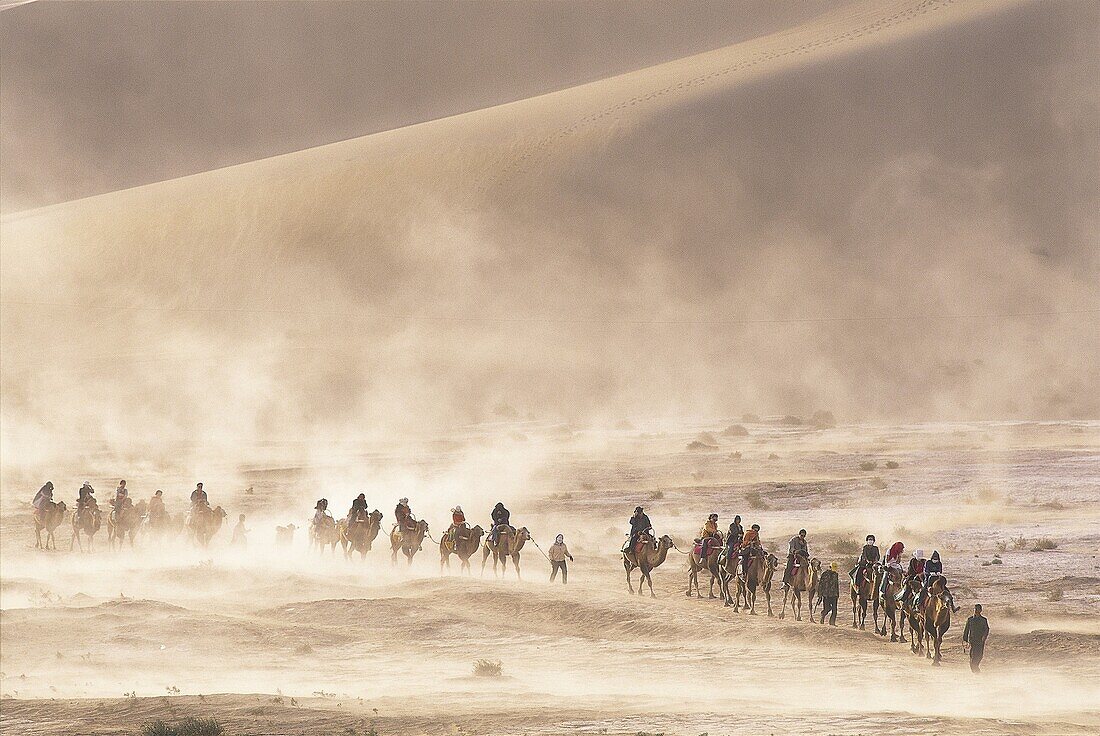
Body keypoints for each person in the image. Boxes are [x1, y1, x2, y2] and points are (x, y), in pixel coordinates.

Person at [963, 604, 990, 672]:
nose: (976, 610)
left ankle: (975, 666)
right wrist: (965, 640)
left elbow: (986, 629)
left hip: (980, 640)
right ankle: (974, 668)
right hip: (972, 640)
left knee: (980, 655)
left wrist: (984, 637)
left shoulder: (984, 620)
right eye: (975, 609)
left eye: (977, 609)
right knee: (973, 655)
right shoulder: (970, 619)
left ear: (980, 610)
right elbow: (966, 630)